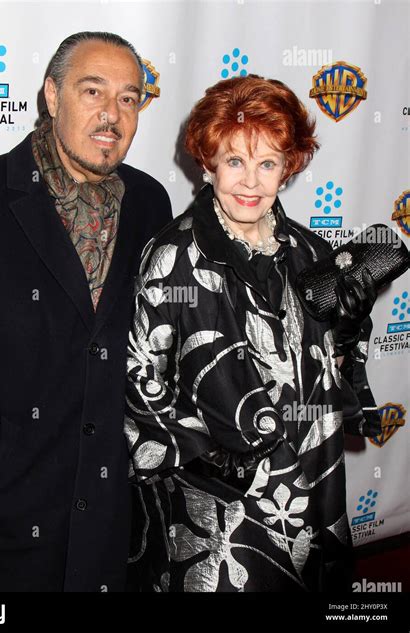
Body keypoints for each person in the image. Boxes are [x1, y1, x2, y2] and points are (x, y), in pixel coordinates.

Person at [124, 74, 382, 592]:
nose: (250, 182)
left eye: (267, 164)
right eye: (235, 161)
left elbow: (334, 374)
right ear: (208, 162)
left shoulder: (310, 252)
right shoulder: (172, 258)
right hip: (221, 511)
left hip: (312, 486)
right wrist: (222, 463)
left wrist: (351, 328)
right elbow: (139, 383)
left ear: (288, 168)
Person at [0, 31, 172, 592]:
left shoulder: (151, 203)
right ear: (51, 94)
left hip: (112, 530)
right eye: (93, 91)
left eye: (128, 98)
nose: (111, 115)